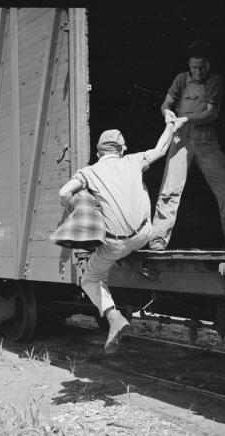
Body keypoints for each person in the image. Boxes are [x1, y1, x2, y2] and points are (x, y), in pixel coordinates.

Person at [59, 118, 179, 352]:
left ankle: (114, 317)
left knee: (90, 279)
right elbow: (162, 148)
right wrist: (170, 123)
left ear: (97, 152)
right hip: (144, 234)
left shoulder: (89, 171)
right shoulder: (134, 160)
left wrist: (72, 209)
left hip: (116, 245)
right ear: (123, 149)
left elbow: (64, 191)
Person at [149, 40, 225, 250]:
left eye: (202, 66)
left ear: (209, 63)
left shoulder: (216, 81)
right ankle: (158, 239)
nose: (198, 71)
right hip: (181, 140)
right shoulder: (181, 79)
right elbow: (166, 104)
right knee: (170, 190)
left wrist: (186, 119)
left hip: (206, 141)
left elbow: (211, 113)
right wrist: (167, 113)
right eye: (194, 67)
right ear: (189, 64)